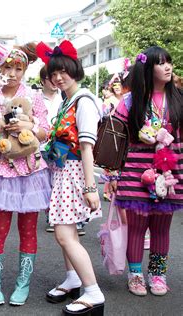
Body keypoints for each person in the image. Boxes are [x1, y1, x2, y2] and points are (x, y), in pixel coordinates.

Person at [0, 43, 51, 306]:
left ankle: (23, 284)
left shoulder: (34, 96)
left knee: (29, 231)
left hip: (31, 171)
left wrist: (28, 125)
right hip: (2, 171)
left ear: (25, 69)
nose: (12, 72)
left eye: (18, 68)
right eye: (7, 66)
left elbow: (46, 131)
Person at [36, 40, 105, 315]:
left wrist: (90, 187)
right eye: (53, 73)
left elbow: (87, 147)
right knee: (68, 233)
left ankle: (93, 292)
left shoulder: (84, 100)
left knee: (65, 235)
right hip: (65, 172)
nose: (57, 77)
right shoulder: (70, 101)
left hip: (76, 173)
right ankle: (74, 278)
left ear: (75, 69)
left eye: (63, 71)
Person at [109, 46, 183, 297]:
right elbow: (116, 139)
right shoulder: (130, 102)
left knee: (162, 228)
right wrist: (112, 176)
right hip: (135, 173)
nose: (167, 67)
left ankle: (158, 275)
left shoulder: (179, 99)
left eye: (169, 62)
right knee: (138, 228)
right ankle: (136, 275)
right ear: (147, 68)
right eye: (161, 63)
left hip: (170, 173)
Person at [39, 65, 62, 234]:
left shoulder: (64, 98)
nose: (54, 80)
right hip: (41, 146)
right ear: (42, 81)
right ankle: (51, 215)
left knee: (60, 180)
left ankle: (63, 216)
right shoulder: (36, 100)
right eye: (50, 77)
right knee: (47, 183)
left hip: (60, 145)